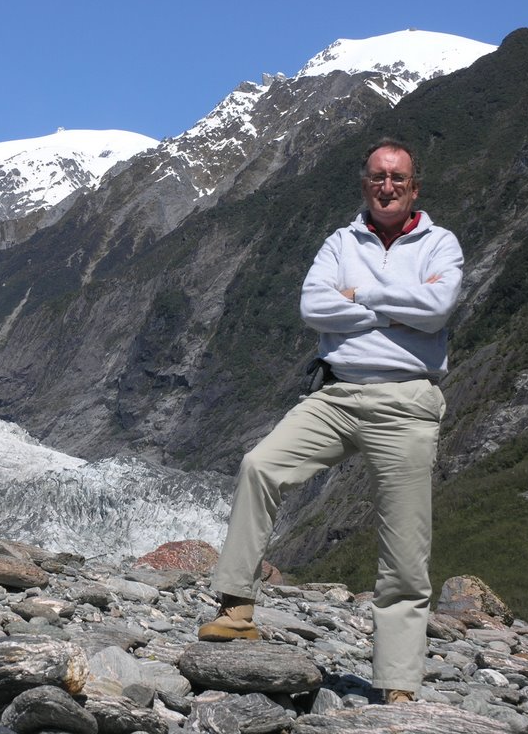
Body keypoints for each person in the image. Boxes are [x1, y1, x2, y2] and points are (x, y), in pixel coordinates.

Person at [200, 138, 463, 704]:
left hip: (408, 400)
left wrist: (361, 295)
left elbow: (438, 310)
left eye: (397, 178)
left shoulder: (441, 244)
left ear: (414, 187)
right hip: (336, 394)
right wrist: (400, 308)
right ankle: (236, 605)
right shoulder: (340, 240)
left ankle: (397, 683)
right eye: (376, 177)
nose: (386, 186)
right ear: (364, 183)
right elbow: (314, 307)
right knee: (260, 466)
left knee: (404, 547)